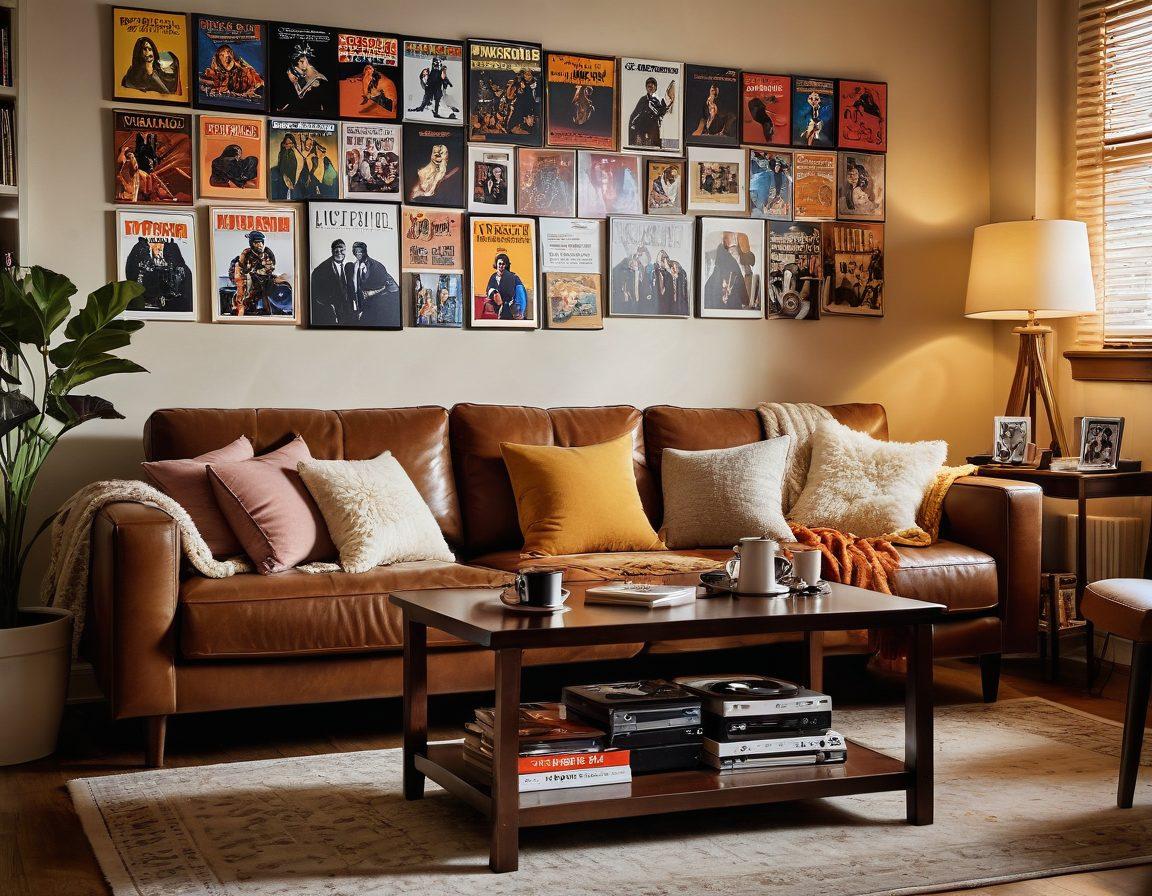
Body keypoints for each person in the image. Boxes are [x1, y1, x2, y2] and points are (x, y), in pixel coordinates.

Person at [345, 241, 400, 327]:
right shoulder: (355, 266)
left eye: (360, 251)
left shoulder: (376, 266)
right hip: (367, 302)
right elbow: (357, 289)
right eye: (356, 251)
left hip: (386, 298)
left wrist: (371, 293)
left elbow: (386, 286)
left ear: (365, 252)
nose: (358, 253)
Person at [232, 231, 281, 316]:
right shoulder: (246, 253)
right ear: (252, 244)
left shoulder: (267, 253)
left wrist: (265, 270)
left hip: (262, 276)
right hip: (245, 275)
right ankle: (239, 310)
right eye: (257, 243)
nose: (260, 245)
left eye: (261, 242)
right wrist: (249, 272)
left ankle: (267, 309)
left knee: (268, 286)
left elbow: (271, 266)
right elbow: (242, 268)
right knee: (244, 289)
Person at [310, 239, 351, 326]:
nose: (339, 253)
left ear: (346, 250)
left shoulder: (350, 266)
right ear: (332, 251)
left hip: (349, 313)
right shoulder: (320, 271)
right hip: (331, 314)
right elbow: (317, 296)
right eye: (336, 250)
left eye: (342, 250)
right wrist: (331, 309)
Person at [278, 43, 328, 114]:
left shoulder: (314, 76)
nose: (299, 64)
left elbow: (301, 95)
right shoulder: (300, 72)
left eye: (302, 61)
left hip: (315, 111)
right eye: (298, 62)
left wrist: (295, 82)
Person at [628, 76, 675, 148]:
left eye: (652, 87)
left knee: (655, 145)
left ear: (655, 88)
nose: (650, 88)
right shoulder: (643, 99)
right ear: (646, 88)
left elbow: (663, 112)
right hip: (642, 127)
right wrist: (632, 124)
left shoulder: (660, 100)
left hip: (654, 127)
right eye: (648, 86)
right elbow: (635, 113)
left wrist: (666, 107)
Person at [483, 253, 527, 320]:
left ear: (506, 265)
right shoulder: (493, 277)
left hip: (511, 310)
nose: (501, 266)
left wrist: (521, 312)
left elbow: (520, 293)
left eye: (503, 264)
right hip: (497, 308)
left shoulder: (514, 277)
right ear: (496, 264)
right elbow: (488, 290)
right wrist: (494, 292)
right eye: (499, 264)